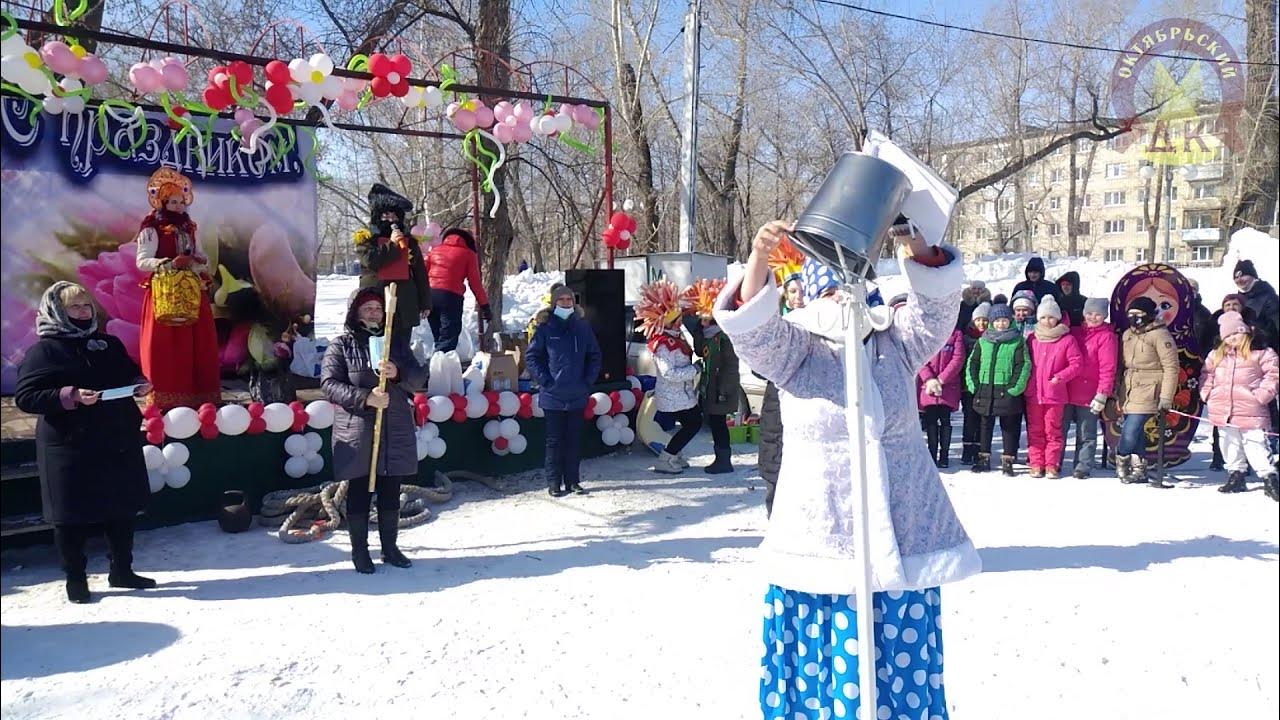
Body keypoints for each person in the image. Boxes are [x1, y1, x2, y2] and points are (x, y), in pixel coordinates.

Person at [715, 219, 979, 720]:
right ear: (813, 295)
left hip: (900, 545)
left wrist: (914, 241)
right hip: (822, 546)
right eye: (832, 289)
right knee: (828, 679)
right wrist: (758, 256)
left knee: (898, 679)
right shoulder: (796, 351)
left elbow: (938, 308)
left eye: (849, 287)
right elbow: (752, 330)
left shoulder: (893, 343)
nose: (842, 299)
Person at [15, 282, 155, 603]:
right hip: (70, 445)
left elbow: (127, 373)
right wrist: (71, 396)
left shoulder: (107, 344)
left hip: (114, 437)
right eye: (74, 308)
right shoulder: (44, 351)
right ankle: (76, 579)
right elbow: (27, 396)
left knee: (121, 508)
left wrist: (138, 385)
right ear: (58, 312)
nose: (82, 312)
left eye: (86, 306)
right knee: (70, 516)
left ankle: (122, 570)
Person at [321, 288, 426, 573]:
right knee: (360, 490)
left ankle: (390, 548)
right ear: (355, 312)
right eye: (366, 308)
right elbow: (329, 384)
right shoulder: (342, 345)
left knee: (390, 488)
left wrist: (399, 374)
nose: (373, 313)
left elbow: (418, 379)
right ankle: (360, 551)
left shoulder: (397, 344)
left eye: (377, 309)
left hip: (394, 427)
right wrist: (365, 398)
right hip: (358, 430)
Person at [135, 167, 220, 410]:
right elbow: (142, 261)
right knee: (166, 347)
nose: (179, 206)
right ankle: (165, 398)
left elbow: (201, 252)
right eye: (173, 202)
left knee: (198, 345)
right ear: (162, 202)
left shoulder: (190, 227)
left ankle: (199, 397)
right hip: (165, 293)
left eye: (182, 202)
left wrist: (200, 260)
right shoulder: (151, 228)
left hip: (192, 292)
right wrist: (170, 263)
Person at [526, 283, 602, 496]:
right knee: (554, 441)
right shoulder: (544, 328)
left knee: (574, 440)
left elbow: (594, 356)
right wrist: (546, 381)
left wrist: (587, 381)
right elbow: (532, 358)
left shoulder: (583, 327)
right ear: (554, 303)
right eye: (562, 300)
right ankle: (553, 483)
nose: (566, 303)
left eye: (569, 300)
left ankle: (573, 481)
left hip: (577, 394)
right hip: (553, 396)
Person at [1199, 311, 1279, 499]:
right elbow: (1206, 375)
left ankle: (1269, 477)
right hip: (1222, 408)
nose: (1233, 338)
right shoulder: (1216, 355)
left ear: (1245, 332)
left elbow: (1273, 375)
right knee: (1229, 443)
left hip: (1251, 409)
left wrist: (1262, 395)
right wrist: (1207, 394)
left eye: (1236, 334)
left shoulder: (1261, 352)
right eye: (1228, 336)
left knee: (1256, 443)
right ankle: (1236, 474)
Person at [355, 183, 431, 368]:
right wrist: (393, 245)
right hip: (375, 303)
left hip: (404, 305)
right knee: (376, 347)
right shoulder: (365, 240)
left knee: (400, 348)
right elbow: (372, 261)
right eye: (385, 215)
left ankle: (402, 383)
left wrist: (425, 302)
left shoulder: (410, 242)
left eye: (394, 215)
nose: (390, 219)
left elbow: (420, 273)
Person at [760, 241, 806, 515]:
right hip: (776, 399)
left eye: (802, 290)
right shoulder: (774, 323)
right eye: (792, 290)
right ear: (785, 294)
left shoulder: (820, 321)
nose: (798, 296)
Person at [1114, 296, 1179, 488]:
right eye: (1131, 315)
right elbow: (1121, 363)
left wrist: (1166, 396)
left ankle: (1122, 458)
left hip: (1150, 387)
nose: (1134, 318)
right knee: (1136, 432)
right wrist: (1116, 389)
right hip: (1129, 386)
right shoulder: (1128, 335)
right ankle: (1139, 468)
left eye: (1139, 315)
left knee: (1130, 430)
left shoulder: (1160, 335)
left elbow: (1171, 367)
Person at [637, 281, 702, 474]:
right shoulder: (663, 345)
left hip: (681, 394)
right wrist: (694, 370)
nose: (680, 322)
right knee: (693, 424)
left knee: (691, 424)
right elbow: (668, 373)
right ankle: (666, 457)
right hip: (673, 395)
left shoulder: (675, 337)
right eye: (677, 319)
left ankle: (673, 454)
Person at [966, 303, 1031, 475]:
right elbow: (972, 362)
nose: (1000, 324)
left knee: (1009, 426)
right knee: (985, 424)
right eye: (997, 321)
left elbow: (1023, 365)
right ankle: (983, 457)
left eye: (1004, 320)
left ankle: (1008, 459)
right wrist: (973, 384)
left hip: (1007, 388)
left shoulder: (1017, 340)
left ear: (1009, 321)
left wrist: (1015, 388)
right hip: (985, 387)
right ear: (991, 322)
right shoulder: (983, 340)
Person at [1025, 296, 1083, 478]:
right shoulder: (1032, 338)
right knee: (1035, 429)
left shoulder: (1067, 340)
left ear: (1057, 318)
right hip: (1034, 392)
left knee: (1052, 430)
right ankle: (1036, 463)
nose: (1047, 321)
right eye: (1043, 317)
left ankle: (1051, 464)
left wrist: (1060, 377)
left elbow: (1076, 363)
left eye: (1051, 317)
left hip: (1054, 393)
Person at [1063, 297, 1118, 478]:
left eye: (1098, 314)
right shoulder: (1074, 332)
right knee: (1059, 429)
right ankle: (1054, 461)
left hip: (1090, 392)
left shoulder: (1106, 337)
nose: (1093, 317)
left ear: (1104, 316)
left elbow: (1108, 368)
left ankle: (1083, 465)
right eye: (1089, 313)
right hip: (1067, 388)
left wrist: (1103, 393)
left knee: (1086, 432)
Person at [690, 287, 740, 475]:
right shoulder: (708, 334)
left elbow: (731, 365)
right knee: (714, 422)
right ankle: (720, 458)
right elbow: (698, 351)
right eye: (701, 319)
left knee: (719, 423)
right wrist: (698, 331)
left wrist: (724, 390)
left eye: (705, 318)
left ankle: (724, 460)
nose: (703, 322)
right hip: (709, 385)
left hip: (720, 387)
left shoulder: (724, 336)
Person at [426, 227, 491, 353]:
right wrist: (485, 306)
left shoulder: (435, 250)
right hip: (450, 297)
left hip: (430, 295)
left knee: (438, 335)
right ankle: (442, 368)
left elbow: (423, 273)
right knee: (449, 336)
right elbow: (475, 283)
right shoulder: (468, 254)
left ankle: (438, 364)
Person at [917, 322, 965, 468]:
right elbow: (919, 358)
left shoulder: (956, 334)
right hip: (928, 386)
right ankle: (932, 454)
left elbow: (958, 358)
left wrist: (942, 379)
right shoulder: (925, 334)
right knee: (930, 421)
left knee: (945, 420)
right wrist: (929, 379)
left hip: (948, 386)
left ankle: (944, 455)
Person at [959, 301, 990, 464]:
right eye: (978, 320)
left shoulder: (992, 339)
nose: (981, 324)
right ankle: (967, 448)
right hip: (967, 384)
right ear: (973, 321)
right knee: (969, 416)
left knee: (982, 418)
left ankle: (980, 448)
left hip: (986, 384)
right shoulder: (965, 338)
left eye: (985, 320)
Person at [1232, 259, 1279, 352]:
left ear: (1253, 276)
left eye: (1243, 275)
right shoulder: (1237, 300)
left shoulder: (1269, 297)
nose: (1239, 280)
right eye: (1236, 277)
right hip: (1244, 351)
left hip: (1265, 351)